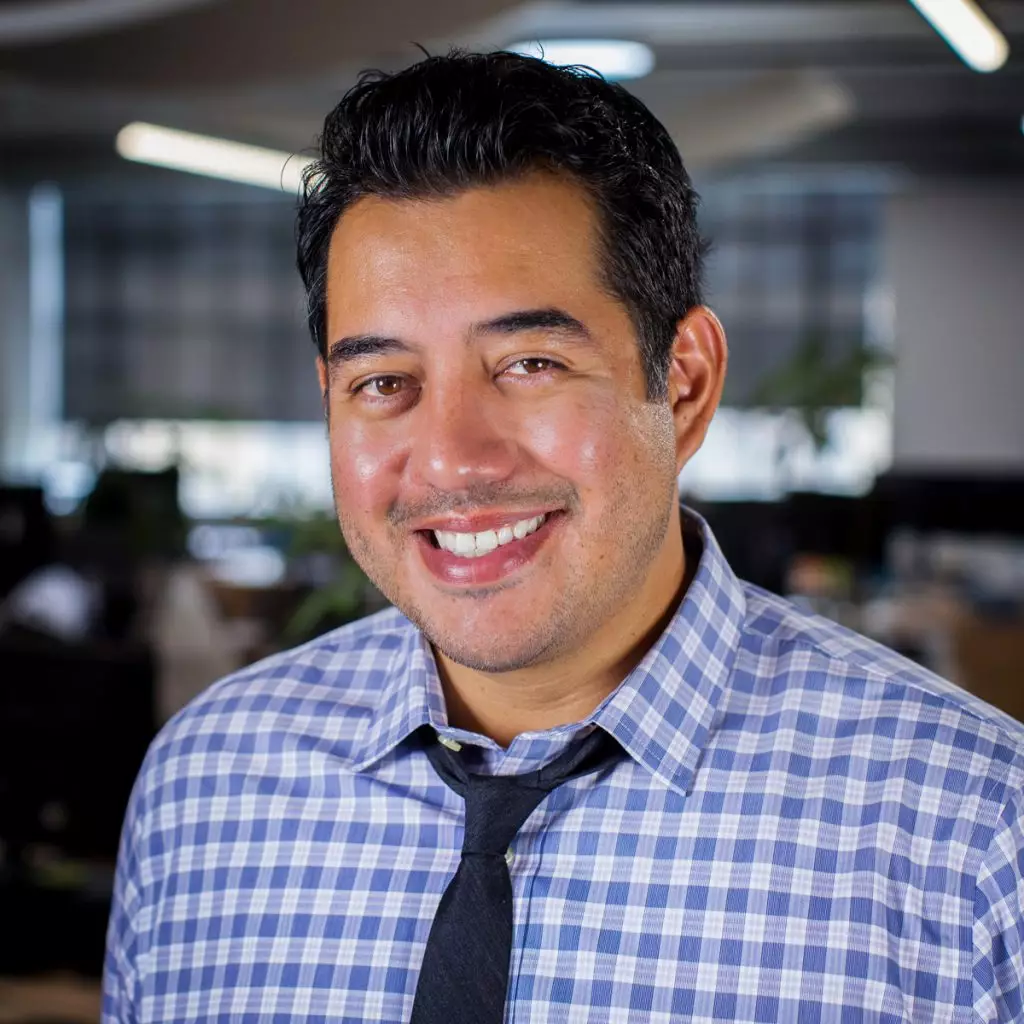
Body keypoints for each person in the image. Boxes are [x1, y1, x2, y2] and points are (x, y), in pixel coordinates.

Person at [103, 51, 1024, 1023]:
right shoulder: (204, 785)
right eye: (383, 383)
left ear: (684, 383)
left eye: (530, 362)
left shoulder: (977, 835)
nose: (452, 461)